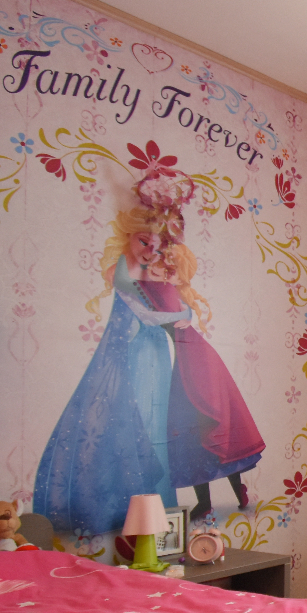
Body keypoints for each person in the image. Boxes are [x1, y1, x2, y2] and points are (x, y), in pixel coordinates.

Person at [34, 208, 190, 535]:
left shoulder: (153, 272)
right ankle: (113, 506)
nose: (150, 251)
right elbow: (145, 315)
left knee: (155, 422)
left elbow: (167, 303)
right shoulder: (120, 271)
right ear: (128, 236)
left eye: (157, 247)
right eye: (143, 241)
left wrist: (182, 309)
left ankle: (155, 511)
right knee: (120, 420)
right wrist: (181, 314)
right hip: (127, 354)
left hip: (154, 353)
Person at [139, 242, 264, 522]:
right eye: (163, 265)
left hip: (199, 367)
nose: (163, 269)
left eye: (170, 267)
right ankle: (208, 501)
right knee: (197, 435)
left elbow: (157, 314)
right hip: (189, 366)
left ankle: (232, 492)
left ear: (179, 273)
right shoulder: (169, 293)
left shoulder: (171, 294)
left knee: (212, 427)